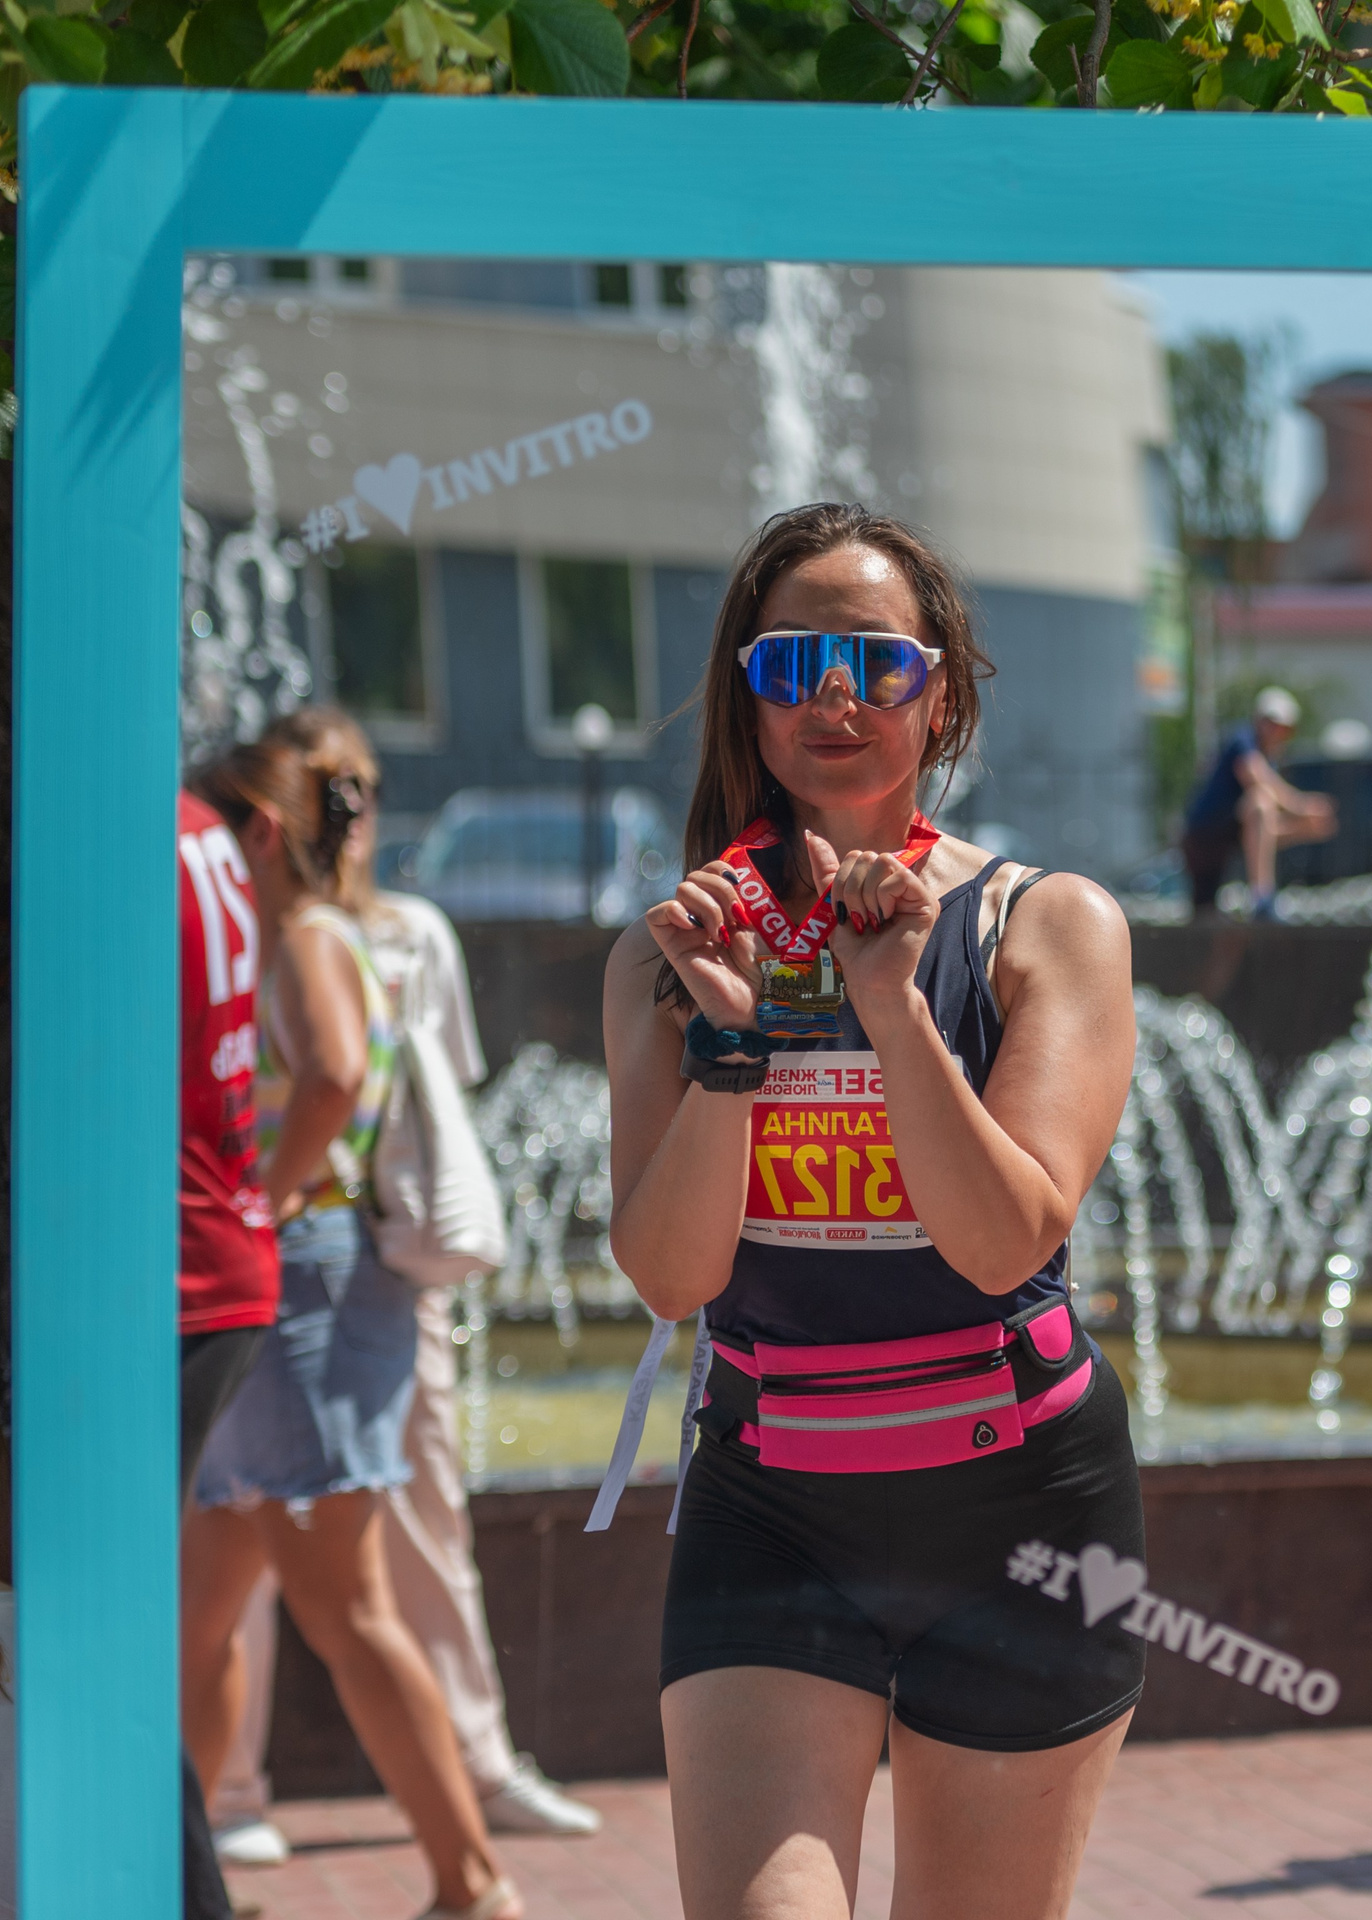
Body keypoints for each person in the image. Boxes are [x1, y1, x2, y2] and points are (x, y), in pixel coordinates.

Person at [603, 502, 1143, 1917]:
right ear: (748, 694)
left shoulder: (1047, 925)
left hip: (1019, 1511)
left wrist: (892, 1009)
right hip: (773, 1502)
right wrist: (730, 1051)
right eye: (791, 665)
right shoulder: (667, 956)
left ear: (939, 692)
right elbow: (670, 1281)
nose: (834, 695)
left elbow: (1004, 1238)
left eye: (875, 662)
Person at [209, 715, 600, 1869]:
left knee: (365, 1568)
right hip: (325, 1267)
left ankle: (471, 1833)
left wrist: (268, 1198)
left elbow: (367, 1084)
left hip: (337, 1267)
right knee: (230, 1574)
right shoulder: (301, 931)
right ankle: (211, 1819)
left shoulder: (342, 935)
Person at [178, 788, 283, 1920]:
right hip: (223, 1265)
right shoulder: (195, 828)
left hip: (180, 1279)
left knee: (102, 1639)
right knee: (190, 1614)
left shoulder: (123, 829)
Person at [1180, 685, 1337, 920]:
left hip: (1229, 843)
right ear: (1258, 720)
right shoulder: (1242, 739)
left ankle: (1262, 901)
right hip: (1206, 837)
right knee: (1261, 801)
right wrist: (1303, 806)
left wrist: (1304, 829)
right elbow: (1255, 777)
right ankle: (1262, 895)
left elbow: (1263, 832)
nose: (1277, 732)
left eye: (1283, 728)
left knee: (1214, 926)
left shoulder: (1269, 758)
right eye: (1272, 723)